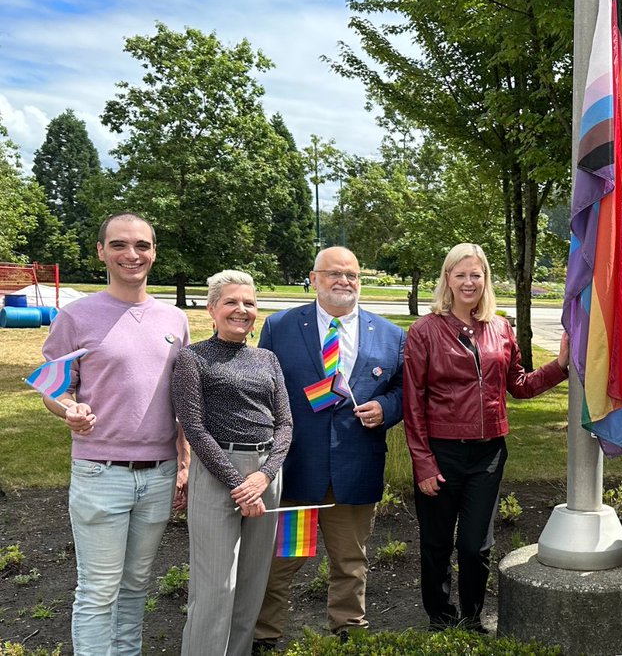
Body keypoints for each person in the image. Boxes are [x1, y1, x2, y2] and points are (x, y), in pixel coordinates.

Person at [39, 212, 190, 655]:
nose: (132, 254)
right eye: (120, 244)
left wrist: (183, 462)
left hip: (159, 473)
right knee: (99, 589)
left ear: (154, 252)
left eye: (142, 245)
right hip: (100, 474)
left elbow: (180, 399)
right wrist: (69, 409)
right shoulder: (75, 317)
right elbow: (53, 389)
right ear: (101, 252)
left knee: (136, 584)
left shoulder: (174, 320)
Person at [403, 243, 568, 631]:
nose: (468, 282)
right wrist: (423, 462)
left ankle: (472, 618)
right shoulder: (425, 331)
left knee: (476, 545)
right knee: (437, 543)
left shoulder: (500, 327)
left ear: (485, 279)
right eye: (460, 274)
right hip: (441, 452)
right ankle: (441, 618)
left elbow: (520, 385)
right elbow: (413, 403)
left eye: (475, 275)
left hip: (488, 454)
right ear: (447, 279)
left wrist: (561, 364)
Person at [253, 247, 406, 650]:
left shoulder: (390, 335)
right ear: (314, 278)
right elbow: (263, 389)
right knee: (283, 560)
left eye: (352, 275)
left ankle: (349, 629)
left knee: (350, 560)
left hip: (354, 470)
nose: (344, 281)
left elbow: (404, 390)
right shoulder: (281, 327)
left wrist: (386, 408)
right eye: (334, 273)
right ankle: (265, 634)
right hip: (298, 470)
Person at [172, 270, 293, 656]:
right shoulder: (192, 358)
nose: (241, 310)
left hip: (265, 475)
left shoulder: (267, 359)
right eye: (231, 302)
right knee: (215, 587)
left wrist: (264, 476)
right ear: (212, 309)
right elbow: (194, 427)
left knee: (252, 584)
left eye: (249, 303)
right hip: (217, 472)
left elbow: (285, 425)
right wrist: (239, 483)